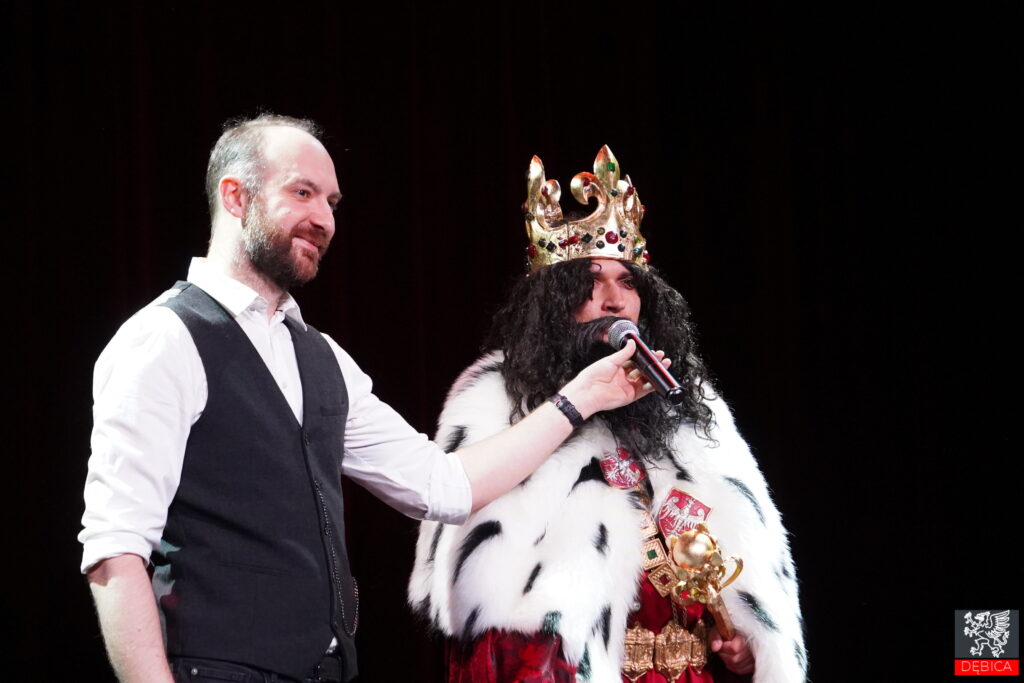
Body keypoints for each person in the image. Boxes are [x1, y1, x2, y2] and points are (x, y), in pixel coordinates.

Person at [79, 117, 661, 683]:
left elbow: (441, 485)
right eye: (302, 192)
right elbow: (116, 549)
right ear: (236, 197)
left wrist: (579, 399)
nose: (323, 219)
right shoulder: (164, 339)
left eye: (332, 202)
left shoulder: (320, 356)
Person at [409, 147, 806, 682]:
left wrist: (745, 640)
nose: (614, 301)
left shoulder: (689, 409)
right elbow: (481, 594)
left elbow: (739, 563)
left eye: (628, 282)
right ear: (552, 303)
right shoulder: (497, 402)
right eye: (590, 282)